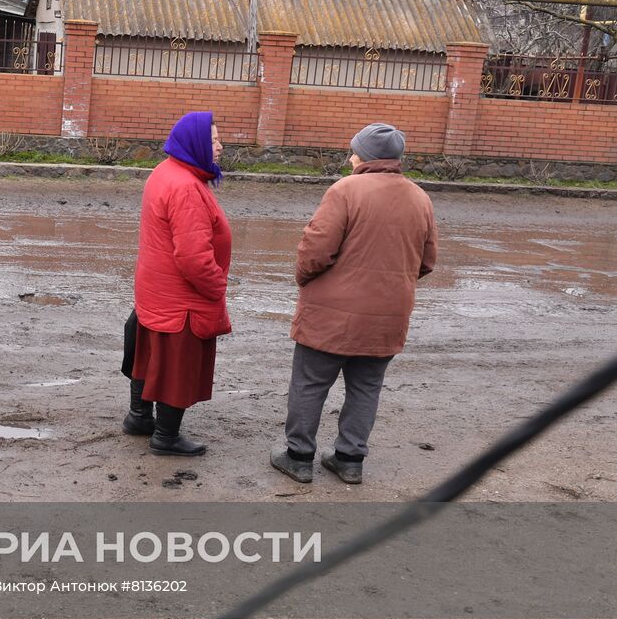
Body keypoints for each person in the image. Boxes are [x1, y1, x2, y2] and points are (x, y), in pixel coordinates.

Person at [270, 122, 437, 485]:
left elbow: (315, 251)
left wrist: (305, 280)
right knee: (366, 387)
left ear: (367, 157)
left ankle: (298, 456)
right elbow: (426, 262)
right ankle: (349, 459)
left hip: (330, 316)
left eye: (354, 151)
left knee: (310, 382)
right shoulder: (420, 198)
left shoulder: (344, 191)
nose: (350, 157)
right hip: (388, 317)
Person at [120, 111, 232, 456]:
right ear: (196, 143)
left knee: (150, 354)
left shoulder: (166, 171)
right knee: (177, 365)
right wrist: (217, 288)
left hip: (156, 288)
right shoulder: (185, 187)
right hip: (181, 296)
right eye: (213, 140)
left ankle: (139, 417)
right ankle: (166, 437)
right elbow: (194, 257)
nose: (220, 146)